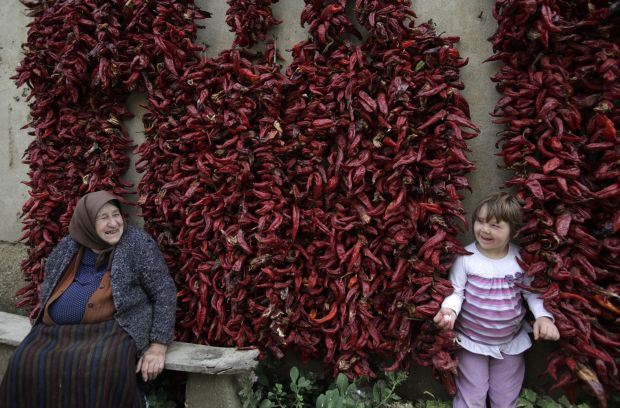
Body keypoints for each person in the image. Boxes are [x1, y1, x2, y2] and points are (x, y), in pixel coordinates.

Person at [0, 190, 176, 408]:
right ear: (86, 223)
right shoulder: (69, 246)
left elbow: (163, 292)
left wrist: (158, 345)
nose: (113, 223)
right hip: (55, 333)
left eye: (116, 214)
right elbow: (49, 284)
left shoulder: (137, 245)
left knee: (100, 368)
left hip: (111, 330)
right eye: (103, 218)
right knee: (24, 363)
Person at [433, 192, 560, 408]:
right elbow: (456, 291)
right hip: (472, 342)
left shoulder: (520, 259)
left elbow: (532, 292)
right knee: (472, 393)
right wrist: (449, 311)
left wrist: (543, 317)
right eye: (480, 222)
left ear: (514, 231)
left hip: (510, 343)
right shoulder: (465, 258)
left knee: (506, 395)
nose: (485, 230)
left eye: (495, 225)